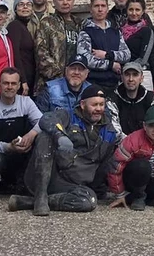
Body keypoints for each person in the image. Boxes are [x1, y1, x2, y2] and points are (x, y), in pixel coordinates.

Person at [9, 86, 121, 216]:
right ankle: (40, 196)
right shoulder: (68, 115)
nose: (99, 109)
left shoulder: (109, 131)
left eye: (102, 105)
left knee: (89, 202)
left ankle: (28, 202)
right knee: (45, 137)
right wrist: (59, 135)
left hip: (72, 185)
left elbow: (103, 165)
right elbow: (46, 119)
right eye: (94, 104)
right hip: (48, 176)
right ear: (83, 104)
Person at [0, 68, 42, 200]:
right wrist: (8, 147)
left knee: (42, 142)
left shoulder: (26, 102)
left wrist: (31, 135)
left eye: (13, 83)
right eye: (6, 83)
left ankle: (14, 182)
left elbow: (43, 121)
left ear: (19, 86)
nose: (9, 87)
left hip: (20, 151)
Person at [77, 0, 131, 93]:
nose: (100, 9)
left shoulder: (115, 32)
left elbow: (127, 54)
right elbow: (85, 58)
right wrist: (111, 65)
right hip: (94, 84)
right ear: (91, 9)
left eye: (103, 6)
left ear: (107, 9)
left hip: (115, 84)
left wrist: (107, 55)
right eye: (96, 6)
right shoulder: (85, 32)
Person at [33, 0, 81, 95]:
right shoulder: (46, 23)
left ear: (73, 2)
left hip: (76, 83)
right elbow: (41, 54)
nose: (65, 2)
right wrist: (62, 74)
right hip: (51, 83)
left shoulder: (79, 24)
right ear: (54, 2)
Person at [109, 62, 154, 135]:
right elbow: (115, 131)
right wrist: (133, 143)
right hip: (121, 145)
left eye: (135, 75)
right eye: (127, 75)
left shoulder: (151, 98)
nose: (131, 79)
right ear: (122, 77)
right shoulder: (112, 99)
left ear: (141, 78)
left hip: (148, 142)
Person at [9, 0, 36, 97]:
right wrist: (22, 80)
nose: (25, 7)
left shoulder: (24, 27)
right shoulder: (15, 26)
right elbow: (15, 53)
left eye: (28, 4)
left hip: (29, 79)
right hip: (22, 82)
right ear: (16, 9)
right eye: (21, 4)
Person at [120, 0, 154, 69]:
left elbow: (144, 58)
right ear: (126, 10)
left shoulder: (146, 31)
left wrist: (129, 68)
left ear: (143, 11)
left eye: (137, 10)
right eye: (131, 9)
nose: (134, 13)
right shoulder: (120, 30)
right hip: (121, 71)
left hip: (138, 71)